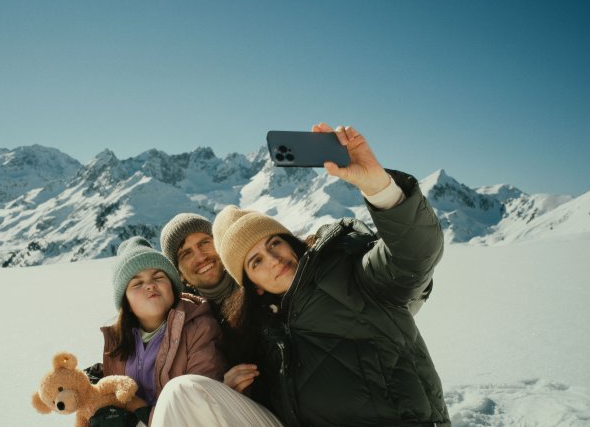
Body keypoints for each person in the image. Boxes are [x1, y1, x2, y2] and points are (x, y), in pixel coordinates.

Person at [151, 123, 449, 427]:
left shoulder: (352, 273)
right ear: (253, 286)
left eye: (274, 243)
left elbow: (414, 253)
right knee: (182, 392)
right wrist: (232, 393)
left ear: (290, 242)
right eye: (256, 261)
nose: (274, 259)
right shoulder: (260, 331)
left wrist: (379, 187)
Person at [94, 236, 228, 426]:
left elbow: (199, 405)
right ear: (126, 302)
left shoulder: (199, 327)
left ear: (173, 288)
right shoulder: (117, 339)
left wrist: (139, 411)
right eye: (137, 284)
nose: (150, 285)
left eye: (158, 277)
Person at [159, 213, 239, 325]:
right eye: (186, 254)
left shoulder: (257, 284)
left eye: (204, 243)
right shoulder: (179, 321)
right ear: (179, 274)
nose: (201, 257)